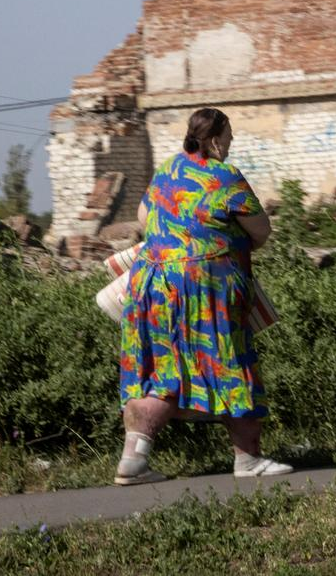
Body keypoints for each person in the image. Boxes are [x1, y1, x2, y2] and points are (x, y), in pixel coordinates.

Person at [114, 107, 294, 485]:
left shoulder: (168, 169)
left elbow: (145, 220)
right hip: (204, 287)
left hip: (151, 286)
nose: (230, 145)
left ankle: (134, 459)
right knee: (228, 361)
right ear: (215, 139)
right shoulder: (223, 175)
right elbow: (261, 232)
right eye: (228, 138)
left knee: (159, 370)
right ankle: (247, 459)